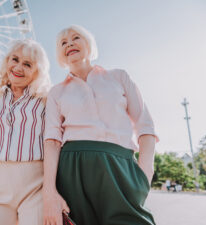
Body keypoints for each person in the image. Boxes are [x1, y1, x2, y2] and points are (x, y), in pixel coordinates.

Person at [43, 25, 158, 225]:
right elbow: (52, 141)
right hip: (73, 170)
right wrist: (50, 192)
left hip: (121, 165)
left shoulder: (119, 77)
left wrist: (145, 173)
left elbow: (145, 126)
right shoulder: (56, 92)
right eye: (63, 42)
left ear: (88, 43)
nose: (69, 43)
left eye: (75, 37)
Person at [0, 39, 51, 225]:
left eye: (27, 64)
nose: (18, 67)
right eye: (14, 59)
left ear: (37, 71)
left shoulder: (46, 100)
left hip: (35, 187)